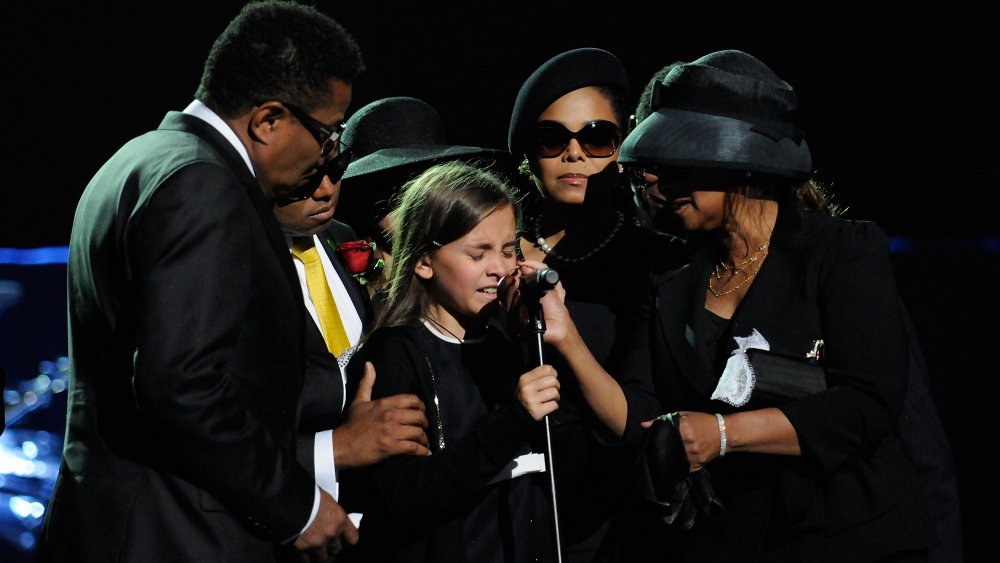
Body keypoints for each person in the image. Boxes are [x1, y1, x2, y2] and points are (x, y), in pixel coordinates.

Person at [40, 2, 366, 561]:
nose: (327, 156)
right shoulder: (204, 184)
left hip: (119, 523)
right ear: (268, 120)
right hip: (174, 533)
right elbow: (181, 387)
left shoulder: (137, 159)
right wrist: (297, 504)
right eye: (328, 133)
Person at [611, 49, 938, 561]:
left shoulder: (841, 251)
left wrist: (723, 434)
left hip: (848, 539)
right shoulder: (670, 279)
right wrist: (562, 336)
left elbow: (867, 403)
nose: (660, 181)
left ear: (738, 161)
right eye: (655, 165)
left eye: (679, 162)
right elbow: (641, 407)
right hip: (732, 540)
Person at [506, 47, 688, 560]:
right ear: (527, 151)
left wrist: (567, 339)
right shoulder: (491, 257)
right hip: (506, 507)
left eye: (596, 137)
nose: (575, 154)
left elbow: (641, 423)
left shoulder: (657, 262)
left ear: (624, 142)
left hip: (617, 523)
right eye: (551, 138)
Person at [337, 161, 562, 562]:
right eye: (479, 254)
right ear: (424, 261)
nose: (500, 268)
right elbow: (402, 495)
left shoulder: (509, 344)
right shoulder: (396, 353)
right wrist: (511, 421)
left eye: (509, 250)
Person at [272, 167, 431, 526]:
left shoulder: (340, 237)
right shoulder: (240, 261)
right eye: (307, 176)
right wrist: (337, 448)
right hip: (289, 509)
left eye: (335, 170)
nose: (326, 190)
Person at [336, 96, 510, 310]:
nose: (415, 198)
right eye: (395, 182)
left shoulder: (483, 286)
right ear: (362, 193)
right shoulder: (339, 284)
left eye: (429, 181)